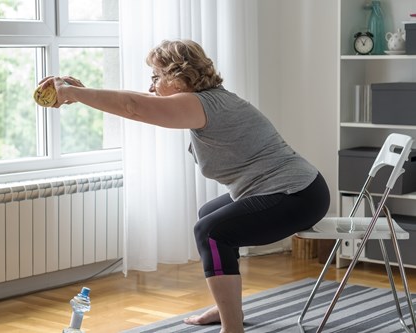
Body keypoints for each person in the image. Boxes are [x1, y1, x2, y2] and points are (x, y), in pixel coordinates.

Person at [39, 39, 330, 333]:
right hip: (298, 189)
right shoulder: (207, 99)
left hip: (297, 194)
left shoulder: (200, 103)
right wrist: (82, 93)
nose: (152, 87)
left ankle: (232, 328)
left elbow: (134, 106)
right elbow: (137, 101)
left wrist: (75, 93)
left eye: (156, 77)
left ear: (177, 77)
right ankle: (228, 308)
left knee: (212, 232)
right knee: (209, 215)